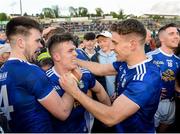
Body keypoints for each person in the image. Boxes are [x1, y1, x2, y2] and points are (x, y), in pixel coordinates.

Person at [60, 19, 161, 133]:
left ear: (132, 44)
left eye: (115, 43)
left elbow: (111, 117)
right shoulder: (126, 63)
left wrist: (74, 91)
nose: (112, 47)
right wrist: (75, 60)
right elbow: (101, 69)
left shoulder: (145, 78)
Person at [0, 16, 75, 132]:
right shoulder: (30, 71)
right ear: (21, 43)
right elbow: (63, 112)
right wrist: (73, 79)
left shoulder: (2, 70)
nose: (41, 45)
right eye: (37, 40)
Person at [46, 33, 111, 132]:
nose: (76, 54)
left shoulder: (84, 74)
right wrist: (74, 80)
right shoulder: (46, 80)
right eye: (70, 51)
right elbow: (62, 114)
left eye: (75, 49)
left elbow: (100, 91)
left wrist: (108, 114)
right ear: (56, 56)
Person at [147, 23, 180, 132]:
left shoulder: (177, 60)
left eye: (177, 33)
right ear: (162, 38)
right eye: (171, 34)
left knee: (164, 128)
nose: (176, 36)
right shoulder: (149, 57)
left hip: (171, 102)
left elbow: (174, 81)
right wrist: (153, 90)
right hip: (154, 103)